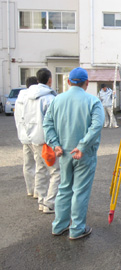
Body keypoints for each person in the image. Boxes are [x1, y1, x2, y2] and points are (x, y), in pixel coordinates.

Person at [43, 67, 104, 239]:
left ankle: (59, 225)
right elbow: (97, 126)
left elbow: (47, 124)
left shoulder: (57, 100)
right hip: (84, 154)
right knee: (80, 191)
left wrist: (55, 144)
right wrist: (83, 146)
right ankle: (77, 229)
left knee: (64, 188)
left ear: (68, 82)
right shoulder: (93, 101)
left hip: (63, 152)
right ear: (87, 83)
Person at [21, 69, 61, 214]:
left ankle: (41, 200)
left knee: (40, 169)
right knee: (56, 172)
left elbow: (23, 118)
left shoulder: (27, 97)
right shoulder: (49, 98)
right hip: (48, 140)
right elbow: (54, 122)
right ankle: (50, 203)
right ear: (50, 80)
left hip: (34, 139)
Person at [14, 76, 38, 198]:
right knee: (40, 165)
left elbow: (18, 117)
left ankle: (30, 189)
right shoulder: (35, 97)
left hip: (23, 136)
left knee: (28, 164)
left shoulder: (19, 99)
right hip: (35, 136)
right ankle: (38, 192)